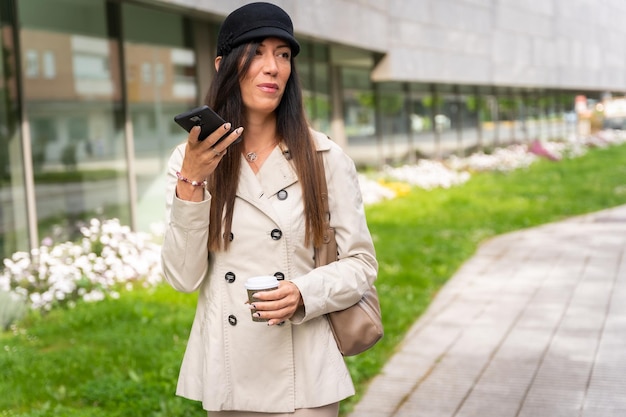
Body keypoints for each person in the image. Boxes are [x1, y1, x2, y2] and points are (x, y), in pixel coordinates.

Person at [161, 3, 378, 416]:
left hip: (304, 376)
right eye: (257, 51)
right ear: (225, 65)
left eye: (283, 54)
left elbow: (362, 264)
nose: (273, 67)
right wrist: (191, 182)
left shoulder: (325, 157)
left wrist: (303, 292)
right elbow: (182, 278)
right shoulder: (189, 160)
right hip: (228, 371)